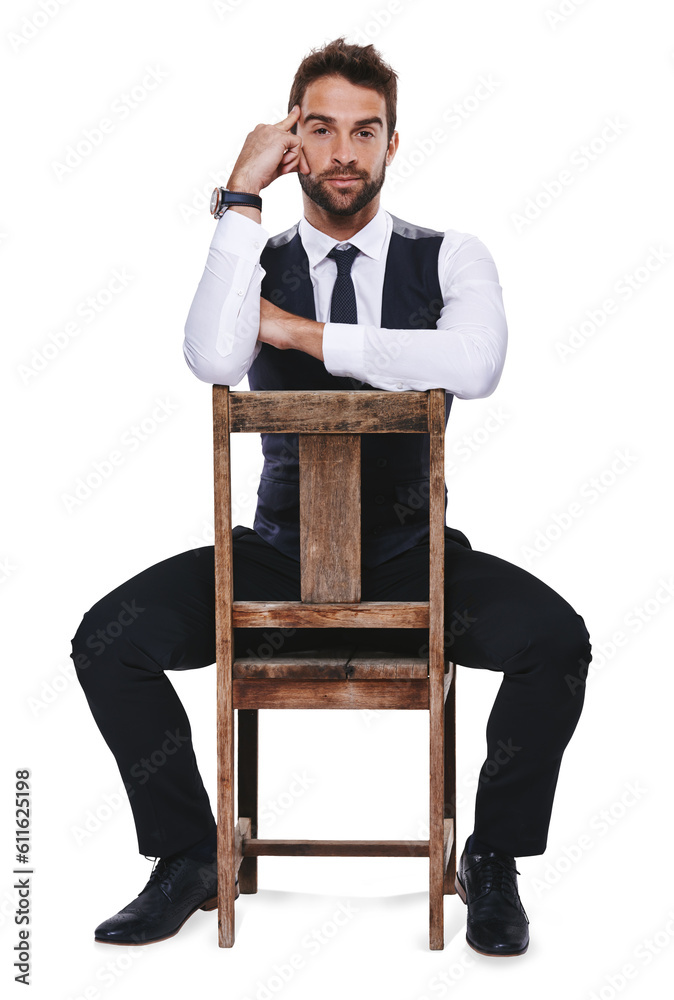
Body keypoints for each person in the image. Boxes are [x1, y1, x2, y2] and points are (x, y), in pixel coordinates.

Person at [71, 37, 591, 956]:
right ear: (293, 142)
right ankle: (190, 855)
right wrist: (237, 194)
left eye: (366, 130)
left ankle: (495, 860)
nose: (345, 151)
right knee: (106, 643)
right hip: (273, 555)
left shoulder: (452, 254)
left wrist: (303, 334)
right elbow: (211, 357)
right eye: (321, 128)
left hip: (411, 561)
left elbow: (476, 363)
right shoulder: (250, 257)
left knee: (556, 640)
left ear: (393, 144)